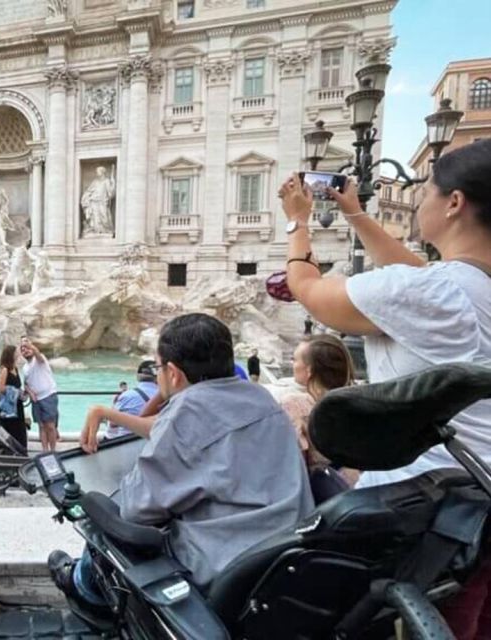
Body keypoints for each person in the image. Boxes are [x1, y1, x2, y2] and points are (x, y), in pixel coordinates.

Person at [279, 139, 491, 638]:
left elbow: (308, 290)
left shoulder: (427, 292)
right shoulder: (459, 288)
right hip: (478, 509)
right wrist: (354, 213)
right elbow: (420, 278)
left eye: (429, 192)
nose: (420, 201)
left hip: (424, 512)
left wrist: (297, 223)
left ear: (454, 202)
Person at [49, 314, 313, 615]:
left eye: (159, 368)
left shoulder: (186, 412)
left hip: (225, 565)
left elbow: (136, 508)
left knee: (107, 515)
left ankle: (83, 586)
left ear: (173, 373)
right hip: (289, 552)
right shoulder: (261, 398)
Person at [280, 335, 358, 499]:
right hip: (354, 488)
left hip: (319, 495)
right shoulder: (356, 402)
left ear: (310, 370)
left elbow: (293, 464)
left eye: (295, 360)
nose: (292, 364)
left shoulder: (294, 404)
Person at [102, 360, 160, 440]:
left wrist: (114, 405)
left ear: (138, 376)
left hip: (126, 442)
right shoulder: (170, 397)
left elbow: (113, 423)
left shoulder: (127, 395)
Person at [20, 337, 59, 452]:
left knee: (50, 426)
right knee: (41, 426)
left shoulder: (40, 360)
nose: (25, 350)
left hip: (48, 396)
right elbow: (26, 384)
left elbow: (37, 354)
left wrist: (29, 345)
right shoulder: (25, 368)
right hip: (36, 400)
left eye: (27, 348)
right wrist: (30, 393)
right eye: (22, 349)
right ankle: (44, 451)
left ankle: (53, 450)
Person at [0, 344, 27, 454]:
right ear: (11, 355)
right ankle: (10, 453)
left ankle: (21, 452)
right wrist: (15, 392)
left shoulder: (16, 368)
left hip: (18, 405)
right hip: (9, 407)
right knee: (11, 430)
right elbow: (1, 388)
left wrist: (22, 393)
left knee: (20, 430)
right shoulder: (5, 369)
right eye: (16, 352)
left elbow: (18, 385)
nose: (18, 353)